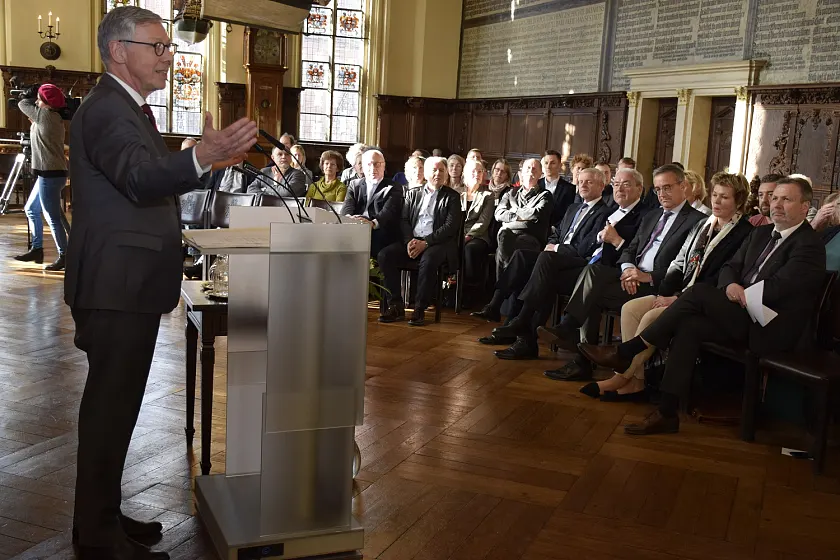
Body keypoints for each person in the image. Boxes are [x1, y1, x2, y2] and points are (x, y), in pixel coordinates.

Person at [65, 6, 257, 559]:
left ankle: (102, 515)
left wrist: (205, 162)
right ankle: (97, 535)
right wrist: (200, 156)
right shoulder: (108, 108)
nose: (168, 56)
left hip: (126, 284)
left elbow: (149, 183)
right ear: (118, 51)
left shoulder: (128, 108)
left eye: (168, 46)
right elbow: (138, 178)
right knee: (109, 410)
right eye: (157, 46)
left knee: (117, 408)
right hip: (116, 286)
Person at [580, 177, 826, 435]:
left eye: (786, 199)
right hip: (741, 312)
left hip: (770, 327)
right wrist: (731, 285)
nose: (776, 204)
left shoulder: (809, 245)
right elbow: (731, 267)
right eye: (775, 198)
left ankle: (629, 349)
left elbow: (779, 287)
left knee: (697, 292)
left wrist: (741, 292)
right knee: (690, 326)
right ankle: (666, 412)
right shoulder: (761, 233)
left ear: (804, 207)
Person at [583, 172, 753, 401]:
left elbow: (720, 277)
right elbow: (678, 264)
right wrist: (663, 293)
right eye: (714, 195)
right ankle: (636, 382)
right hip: (677, 292)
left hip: (704, 303)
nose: (716, 201)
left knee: (650, 317)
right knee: (631, 308)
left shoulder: (744, 233)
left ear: (738, 200)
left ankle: (621, 378)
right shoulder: (703, 224)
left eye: (724, 197)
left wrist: (677, 298)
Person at [539, 164, 706, 382]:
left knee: (592, 290)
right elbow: (630, 249)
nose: (662, 194)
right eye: (658, 189)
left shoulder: (697, 221)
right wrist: (628, 269)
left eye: (667, 188)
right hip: (631, 277)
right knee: (593, 274)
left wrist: (648, 276)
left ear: (683, 186)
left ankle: (577, 350)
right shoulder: (653, 215)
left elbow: (686, 266)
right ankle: (573, 339)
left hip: (657, 285)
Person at [378, 156, 461, 326]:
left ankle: (419, 309)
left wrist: (426, 242)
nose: (438, 174)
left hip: (438, 243)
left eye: (441, 170)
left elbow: (450, 227)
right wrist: (409, 240)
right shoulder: (413, 193)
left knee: (428, 260)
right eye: (434, 170)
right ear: (426, 173)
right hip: (413, 240)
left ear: (446, 174)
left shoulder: (452, 197)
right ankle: (395, 305)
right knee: (385, 255)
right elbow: (404, 220)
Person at [13, 83, 71, 270]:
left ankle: (64, 256)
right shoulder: (50, 116)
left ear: (47, 102)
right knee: (31, 209)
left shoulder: (45, 115)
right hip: (48, 174)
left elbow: (22, 103)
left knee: (52, 217)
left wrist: (31, 91)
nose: (36, 102)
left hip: (50, 175)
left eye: (39, 99)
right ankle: (37, 249)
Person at [494, 158, 553, 278]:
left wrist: (513, 212)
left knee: (504, 247)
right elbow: (498, 214)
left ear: (540, 174)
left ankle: (502, 286)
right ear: (521, 173)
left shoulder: (545, 195)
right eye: (528, 168)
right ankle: (506, 286)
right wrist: (521, 216)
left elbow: (536, 214)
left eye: (534, 169)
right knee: (505, 237)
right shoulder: (511, 193)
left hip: (531, 237)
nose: (531, 171)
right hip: (508, 235)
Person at [340, 149, 403, 257]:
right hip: (355, 228)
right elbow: (347, 208)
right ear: (363, 167)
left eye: (377, 164)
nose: (373, 168)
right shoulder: (354, 185)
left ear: (384, 166)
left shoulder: (393, 187)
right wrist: (349, 220)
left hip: (379, 230)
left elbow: (388, 212)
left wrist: (372, 223)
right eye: (369, 164)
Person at [462, 159, 495, 289]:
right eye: (473, 171)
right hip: (457, 234)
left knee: (470, 249)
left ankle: (470, 288)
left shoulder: (488, 195)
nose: (477, 174)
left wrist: (468, 236)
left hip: (478, 236)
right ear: (465, 173)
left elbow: (483, 221)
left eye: (480, 171)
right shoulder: (458, 192)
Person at [540, 150, 577, 230]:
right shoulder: (536, 184)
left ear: (560, 165)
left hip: (556, 230)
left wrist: (555, 228)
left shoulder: (569, 189)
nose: (548, 166)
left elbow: (568, 213)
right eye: (546, 163)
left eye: (552, 163)